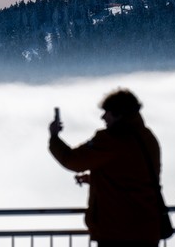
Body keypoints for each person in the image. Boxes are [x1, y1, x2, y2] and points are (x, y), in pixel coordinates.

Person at [49, 88, 164, 247]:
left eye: (107, 112)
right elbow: (132, 176)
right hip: (148, 229)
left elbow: (72, 160)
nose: (103, 117)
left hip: (117, 232)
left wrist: (54, 137)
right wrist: (94, 179)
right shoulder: (147, 138)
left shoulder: (111, 140)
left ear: (118, 113)